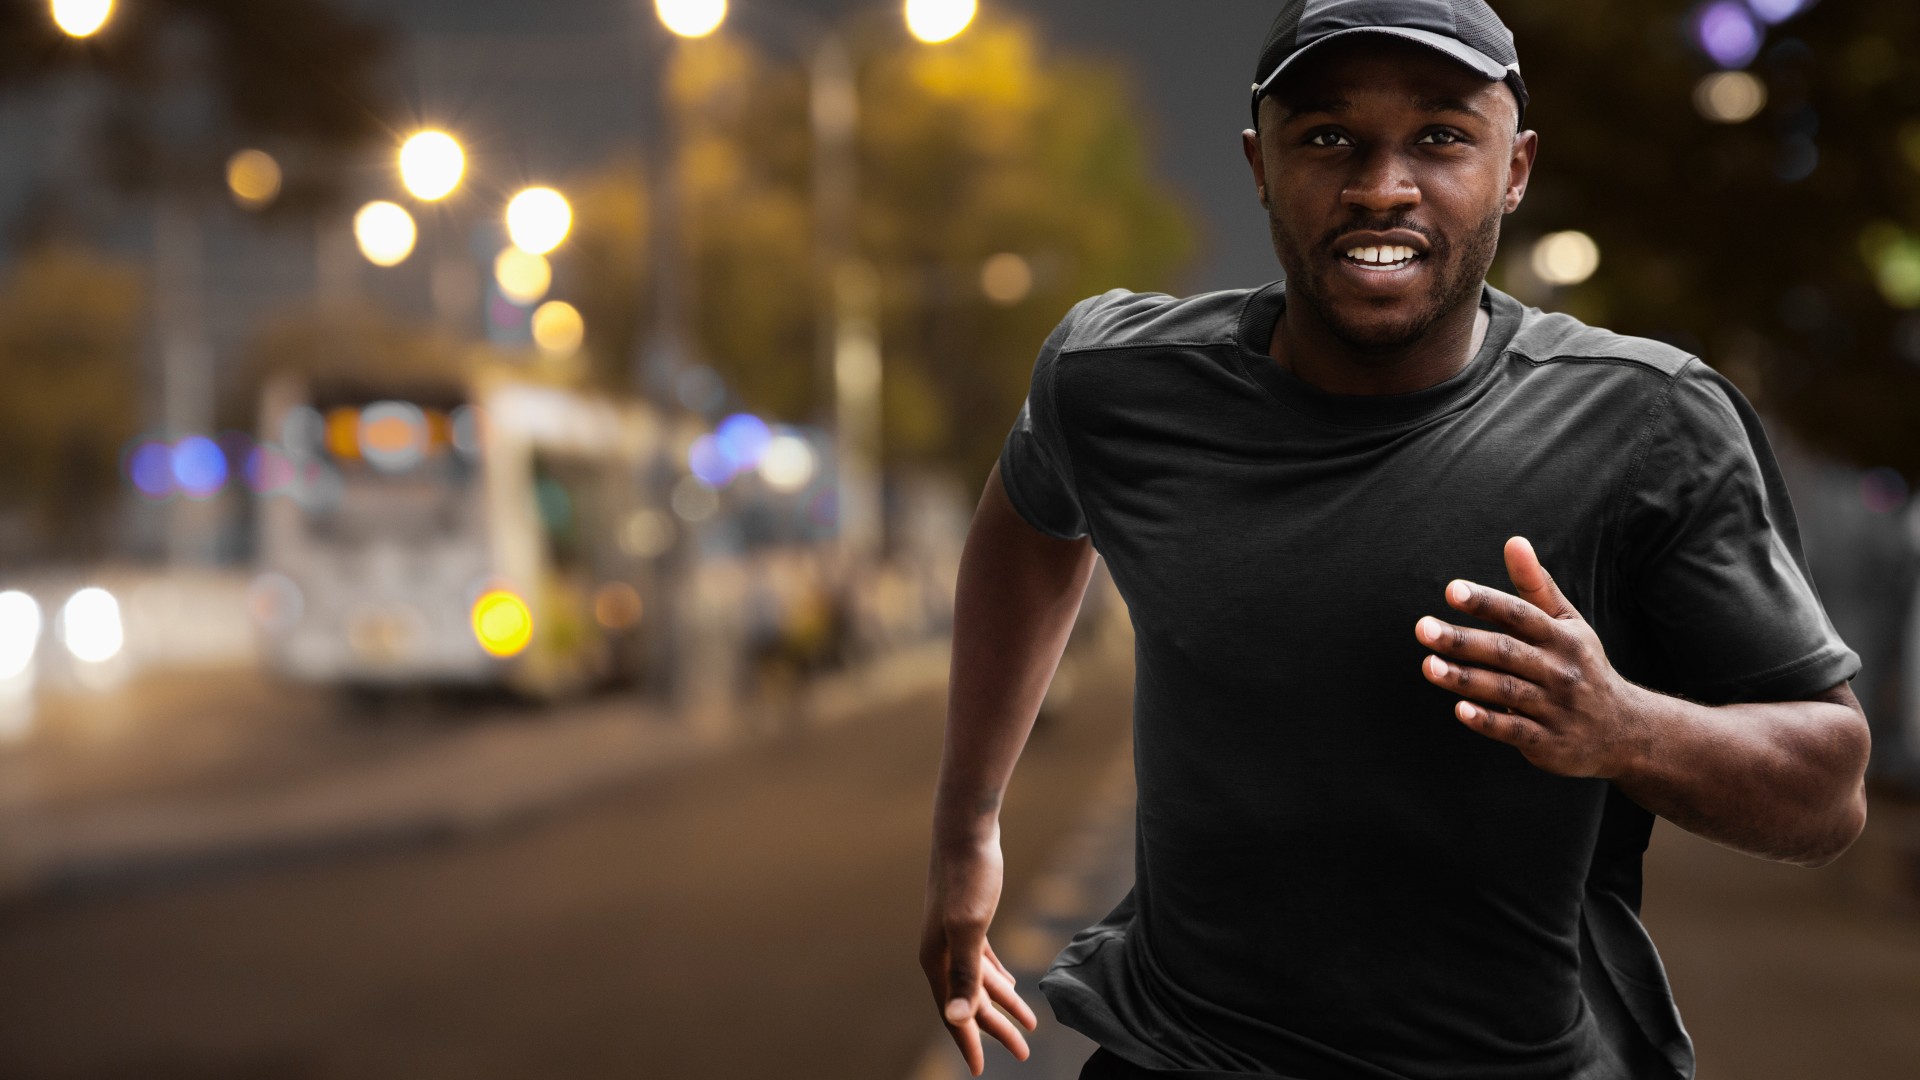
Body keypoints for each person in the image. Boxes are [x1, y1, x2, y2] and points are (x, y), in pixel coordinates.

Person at [917, 1, 1873, 1078]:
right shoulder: (1117, 382)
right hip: (1181, 1056)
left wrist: (1623, 728)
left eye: (1441, 137)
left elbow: (1829, 787)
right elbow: (1033, 519)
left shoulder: (1644, 422)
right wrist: (968, 831)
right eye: (1328, 137)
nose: (1381, 185)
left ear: (1515, 169)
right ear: (1261, 165)